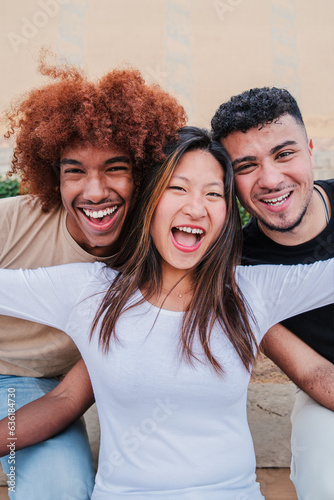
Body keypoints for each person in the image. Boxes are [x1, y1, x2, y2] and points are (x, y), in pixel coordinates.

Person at [0, 127, 334, 500]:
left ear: (226, 213)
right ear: (150, 200)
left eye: (213, 194)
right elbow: (63, 399)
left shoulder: (251, 291)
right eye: (178, 188)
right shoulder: (90, 292)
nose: (196, 207)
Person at [0, 55, 186, 500]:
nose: (95, 191)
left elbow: (67, 400)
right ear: (53, 178)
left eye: (115, 168)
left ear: (142, 176)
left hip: (32, 390)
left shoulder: (152, 265)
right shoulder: (11, 223)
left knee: (60, 490)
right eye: (75, 172)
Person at [211, 87, 334, 499]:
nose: (270, 180)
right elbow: (313, 375)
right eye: (246, 166)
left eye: (284, 154)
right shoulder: (240, 269)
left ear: (310, 150)